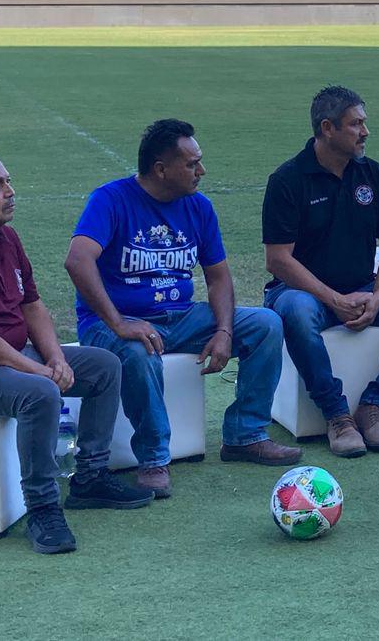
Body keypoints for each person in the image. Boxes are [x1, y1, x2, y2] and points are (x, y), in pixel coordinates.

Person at [0, 148, 151, 555]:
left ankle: (89, 477)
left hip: (2, 358)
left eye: (8, 182)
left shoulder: (6, 237)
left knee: (104, 365)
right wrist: (37, 372)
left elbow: (31, 305)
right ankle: (43, 507)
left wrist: (54, 357)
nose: (10, 192)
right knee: (40, 393)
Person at [67, 120, 299, 499]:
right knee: (138, 351)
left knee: (265, 324)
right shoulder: (110, 199)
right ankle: (154, 459)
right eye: (192, 164)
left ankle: (245, 434)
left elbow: (219, 278)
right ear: (161, 169)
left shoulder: (199, 207)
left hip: (180, 316)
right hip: (110, 323)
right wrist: (118, 322)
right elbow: (78, 261)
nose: (201, 172)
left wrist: (224, 330)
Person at [264, 86, 379, 458]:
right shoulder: (287, 179)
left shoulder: (375, 175)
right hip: (302, 293)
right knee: (297, 311)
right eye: (356, 124)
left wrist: (377, 298)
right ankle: (336, 416)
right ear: (327, 128)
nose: (365, 131)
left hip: (362, 288)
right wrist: (334, 299)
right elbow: (278, 259)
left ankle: (375, 403)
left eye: (364, 122)